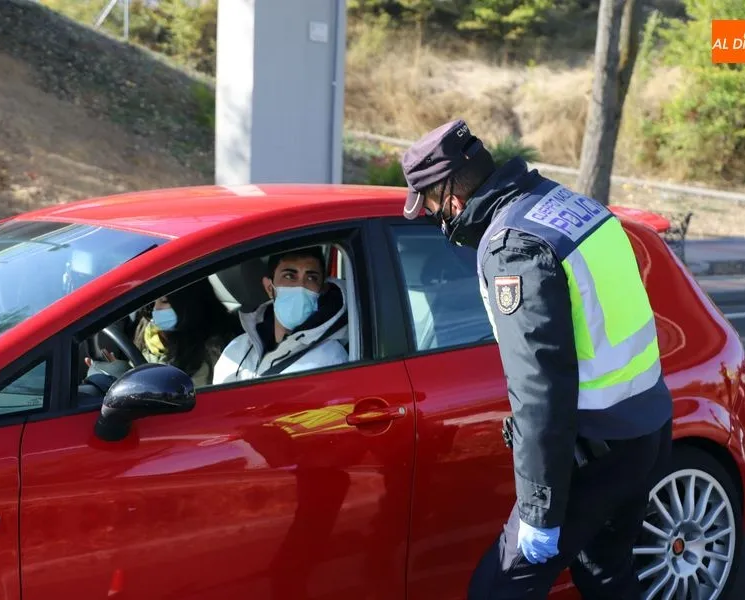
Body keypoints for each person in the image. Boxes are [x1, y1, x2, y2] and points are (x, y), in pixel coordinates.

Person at [400, 118, 673, 598]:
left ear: (451, 198)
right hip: (647, 427)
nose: (433, 217)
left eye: (429, 206)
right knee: (606, 575)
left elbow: (540, 390)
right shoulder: (569, 205)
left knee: (496, 590)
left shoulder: (513, 247)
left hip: (596, 449)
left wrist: (539, 512)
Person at [212, 246, 349, 384]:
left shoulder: (331, 360)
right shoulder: (235, 350)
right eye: (290, 276)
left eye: (311, 278)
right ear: (270, 288)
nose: (300, 286)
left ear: (321, 291)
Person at [86, 278, 239, 389]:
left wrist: (125, 380)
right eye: (155, 302)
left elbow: (179, 399)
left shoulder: (210, 352)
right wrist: (118, 371)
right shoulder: (150, 333)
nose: (155, 310)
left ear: (189, 305)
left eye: (164, 302)